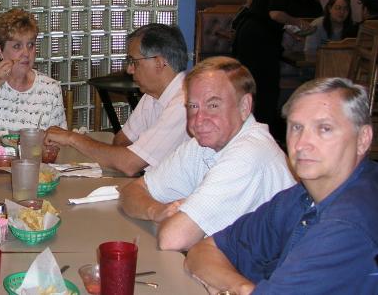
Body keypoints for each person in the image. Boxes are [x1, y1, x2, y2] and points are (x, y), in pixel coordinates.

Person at [185, 77, 378, 294]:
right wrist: (241, 288)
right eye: (296, 127)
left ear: (363, 139)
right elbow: (203, 251)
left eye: (324, 129)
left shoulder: (349, 224)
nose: (302, 144)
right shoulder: (298, 197)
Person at [118, 56, 295, 251]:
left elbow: (173, 239)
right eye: (193, 106)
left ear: (244, 106)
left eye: (213, 105)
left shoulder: (249, 154)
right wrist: (157, 210)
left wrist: (177, 218)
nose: (199, 119)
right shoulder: (202, 145)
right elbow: (130, 192)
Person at [43, 23, 191, 176]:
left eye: (134, 62)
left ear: (159, 63)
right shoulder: (152, 95)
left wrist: (72, 138)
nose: (129, 69)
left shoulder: (185, 104)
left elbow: (129, 164)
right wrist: (130, 157)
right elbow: (121, 140)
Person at [232, 0, 321, 141]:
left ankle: (244, 132)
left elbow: (252, 5)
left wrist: (287, 30)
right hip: (260, 41)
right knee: (265, 89)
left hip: (248, 34)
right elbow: (275, 13)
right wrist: (298, 23)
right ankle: (261, 135)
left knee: (248, 86)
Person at [0, 8, 66, 131]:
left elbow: (59, 143)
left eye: (30, 45)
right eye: (17, 46)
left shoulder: (50, 89)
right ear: (0, 51)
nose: (26, 53)